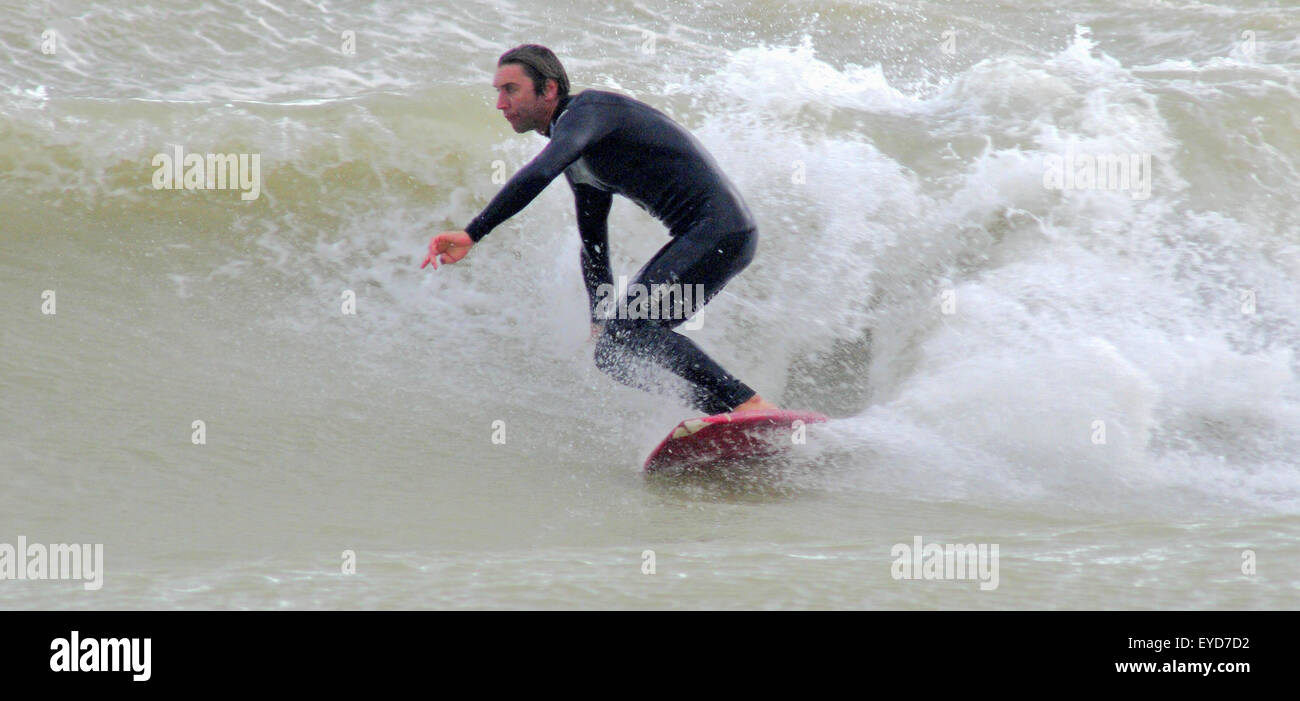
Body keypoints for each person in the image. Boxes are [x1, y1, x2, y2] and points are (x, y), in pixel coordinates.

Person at [423, 44, 778, 416]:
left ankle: (747, 403)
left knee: (633, 327)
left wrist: (473, 233)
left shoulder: (588, 113)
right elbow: (593, 241)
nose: (500, 103)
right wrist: (598, 315)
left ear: (549, 90)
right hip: (713, 237)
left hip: (720, 230)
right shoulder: (579, 159)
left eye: (510, 89)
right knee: (612, 351)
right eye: (497, 91)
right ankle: (726, 414)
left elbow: (540, 172)